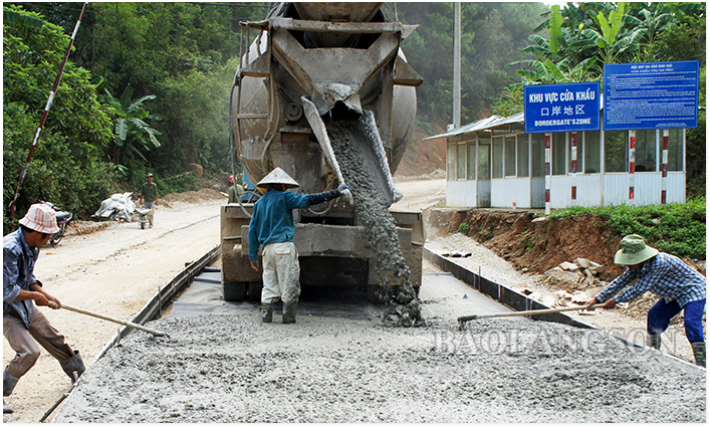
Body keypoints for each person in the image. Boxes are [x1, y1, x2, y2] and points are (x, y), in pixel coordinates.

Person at [3, 204, 85, 414]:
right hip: (6, 309)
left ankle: (81, 375)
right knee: (29, 352)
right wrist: (36, 297)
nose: (50, 239)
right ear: (38, 232)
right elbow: (7, 291)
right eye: (48, 235)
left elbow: (28, 278)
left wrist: (46, 295)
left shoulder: (33, 247)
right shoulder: (8, 249)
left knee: (54, 338)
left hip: (24, 304)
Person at [248, 167, 349, 324]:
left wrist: (253, 255)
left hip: (267, 250)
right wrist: (337, 192)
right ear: (282, 185)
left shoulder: (259, 204)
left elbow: (252, 230)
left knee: (269, 284)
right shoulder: (285, 197)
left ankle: (266, 317)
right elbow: (308, 200)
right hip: (283, 247)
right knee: (289, 284)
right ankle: (288, 319)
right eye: (286, 186)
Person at [586, 234, 706, 367]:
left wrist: (615, 301)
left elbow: (640, 288)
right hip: (674, 293)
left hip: (693, 289)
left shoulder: (659, 263)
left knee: (691, 322)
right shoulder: (636, 267)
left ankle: (703, 362)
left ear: (640, 257)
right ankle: (653, 352)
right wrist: (597, 299)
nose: (628, 265)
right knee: (655, 315)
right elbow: (620, 282)